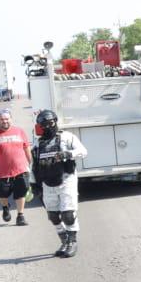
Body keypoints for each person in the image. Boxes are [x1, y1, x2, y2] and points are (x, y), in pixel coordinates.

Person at [31, 109, 88, 258]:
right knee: (53, 216)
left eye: (50, 123)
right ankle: (64, 240)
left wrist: (68, 154)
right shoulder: (38, 143)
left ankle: (72, 242)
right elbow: (34, 165)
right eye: (44, 124)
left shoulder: (67, 137)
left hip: (66, 180)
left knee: (68, 215)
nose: (48, 126)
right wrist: (33, 183)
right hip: (47, 183)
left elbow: (83, 151)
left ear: (55, 121)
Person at [0, 108, 33, 225]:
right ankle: (5, 207)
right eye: (2, 119)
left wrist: (31, 163)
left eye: (7, 119)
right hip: (3, 172)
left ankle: (20, 216)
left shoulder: (19, 131)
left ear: (11, 119)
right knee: (1, 194)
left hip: (21, 170)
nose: (5, 121)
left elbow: (26, 147)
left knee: (20, 193)